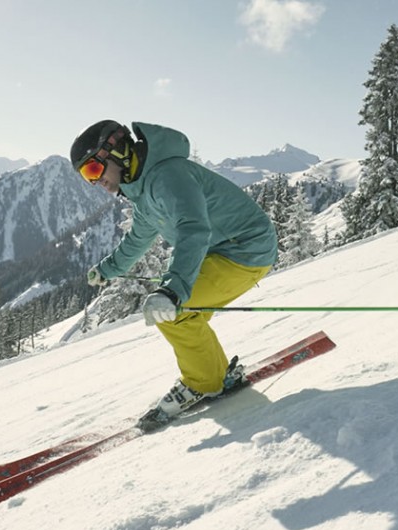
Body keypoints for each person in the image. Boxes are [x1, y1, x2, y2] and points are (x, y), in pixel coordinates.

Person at [70, 120, 278, 428]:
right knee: (184, 314)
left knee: (175, 313)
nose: (94, 182)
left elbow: (193, 228)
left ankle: (206, 382)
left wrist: (172, 290)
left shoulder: (168, 176)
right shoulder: (142, 189)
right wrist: (108, 269)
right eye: (87, 177)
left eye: (93, 170)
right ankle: (216, 376)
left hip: (245, 251)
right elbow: (139, 238)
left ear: (118, 153)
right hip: (223, 251)